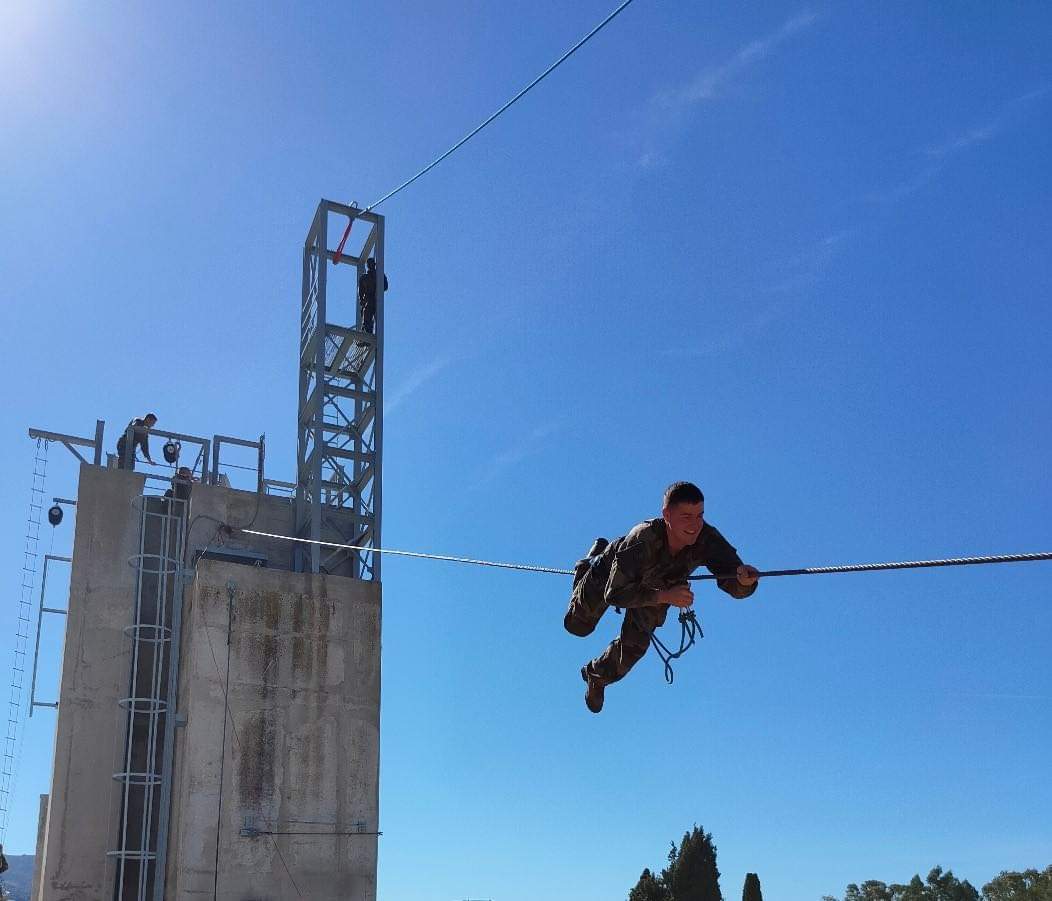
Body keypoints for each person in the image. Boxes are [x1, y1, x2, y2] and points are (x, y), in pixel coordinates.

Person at [564, 481, 759, 713]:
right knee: (576, 625)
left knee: (633, 648)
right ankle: (587, 566)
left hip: (661, 584)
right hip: (615, 575)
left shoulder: (708, 538)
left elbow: (734, 578)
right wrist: (666, 596)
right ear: (667, 514)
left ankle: (596, 677)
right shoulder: (642, 538)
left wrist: (745, 582)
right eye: (686, 516)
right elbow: (615, 593)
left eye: (700, 515)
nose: (695, 524)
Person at [357, 257, 388, 334]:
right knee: (365, 312)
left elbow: (385, 286)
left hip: (375, 299)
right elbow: (360, 290)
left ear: (374, 264)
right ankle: (366, 331)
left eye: (371, 264)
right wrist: (361, 300)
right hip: (368, 299)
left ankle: (367, 331)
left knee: (368, 312)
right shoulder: (364, 277)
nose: (370, 265)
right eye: (369, 264)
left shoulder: (380, 275)